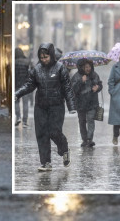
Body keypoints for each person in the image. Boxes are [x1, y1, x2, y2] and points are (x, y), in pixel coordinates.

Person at [15, 43, 77, 171]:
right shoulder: (36, 69)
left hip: (57, 106)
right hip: (41, 106)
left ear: (52, 55)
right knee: (42, 134)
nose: (44, 60)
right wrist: (17, 94)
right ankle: (46, 162)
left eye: (46, 57)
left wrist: (71, 106)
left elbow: (67, 88)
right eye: (42, 57)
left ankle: (64, 149)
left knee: (54, 131)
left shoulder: (60, 69)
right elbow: (29, 85)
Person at [71, 58, 102, 147]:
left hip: (92, 102)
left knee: (91, 120)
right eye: (85, 67)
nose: (88, 69)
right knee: (82, 121)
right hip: (81, 104)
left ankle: (89, 139)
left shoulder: (94, 75)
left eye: (89, 67)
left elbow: (100, 84)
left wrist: (98, 87)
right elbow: (74, 90)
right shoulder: (76, 76)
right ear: (81, 68)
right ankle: (84, 139)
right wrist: (81, 81)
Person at [13, 47, 30, 127]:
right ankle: (25, 121)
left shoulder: (14, 62)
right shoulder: (27, 62)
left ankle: (18, 117)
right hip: (25, 85)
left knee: (16, 102)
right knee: (25, 103)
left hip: (16, 85)